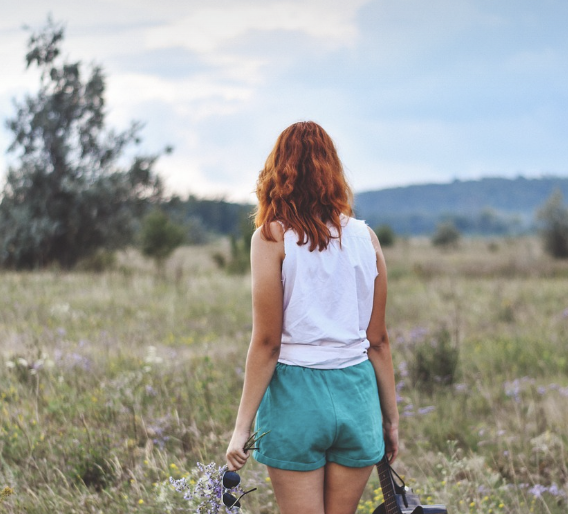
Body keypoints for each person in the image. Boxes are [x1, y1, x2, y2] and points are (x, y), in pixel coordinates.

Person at [226, 121, 399, 514]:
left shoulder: (271, 238)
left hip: (296, 398)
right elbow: (378, 341)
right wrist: (390, 419)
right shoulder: (366, 239)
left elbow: (268, 343)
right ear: (332, 172)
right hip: (357, 395)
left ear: (277, 172)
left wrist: (242, 428)